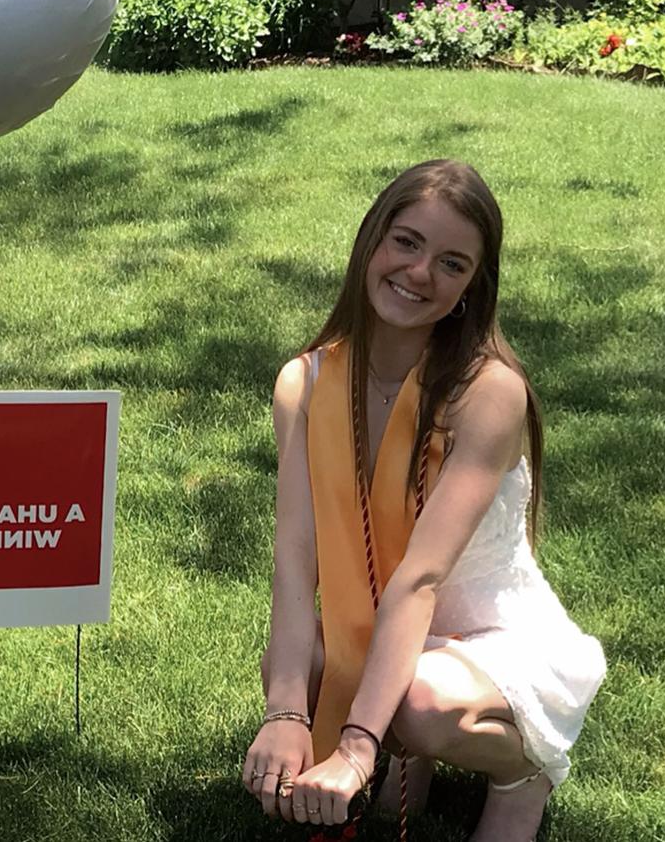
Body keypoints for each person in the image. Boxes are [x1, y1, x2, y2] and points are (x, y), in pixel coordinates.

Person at [241, 160, 606, 841]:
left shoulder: (487, 392)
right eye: (405, 242)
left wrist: (354, 746)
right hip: (378, 617)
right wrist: (285, 713)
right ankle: (406, 753)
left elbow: (423, 576)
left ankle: (522, 773)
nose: (419, 274)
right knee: (291, 668)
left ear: (472, 286)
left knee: (422, 701)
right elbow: (295, 558)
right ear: (371, 240)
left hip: (490, 633)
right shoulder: (306, 381)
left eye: (451, 263)